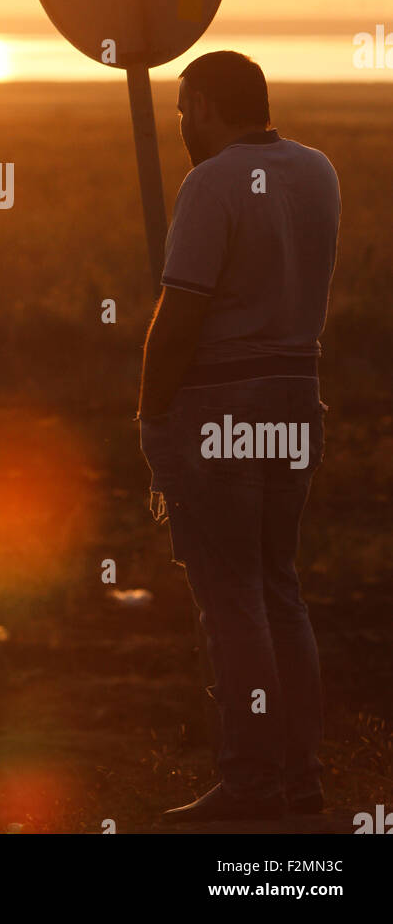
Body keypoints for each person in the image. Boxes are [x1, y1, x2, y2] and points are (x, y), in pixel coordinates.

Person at [137, 50, 341, 823]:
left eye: (185, 109)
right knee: (279, 588)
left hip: (222, 414)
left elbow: (179, 316)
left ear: (207, 105)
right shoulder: (319, 172)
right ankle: (299, 776)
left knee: (232, 598)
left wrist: (153, 418)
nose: (182, 125)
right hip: (297, 401)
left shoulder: (211, 183)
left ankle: (251, 782)